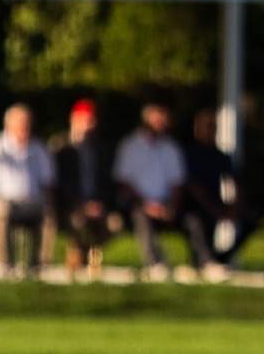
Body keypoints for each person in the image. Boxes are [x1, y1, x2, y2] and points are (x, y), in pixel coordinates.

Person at [0, 103, 55, 276]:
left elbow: (48, 184)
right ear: (8, 125)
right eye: (20, 124)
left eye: (27, 123)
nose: (24, 128)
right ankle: (6, 266)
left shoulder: (39, 148)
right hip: (3, 201)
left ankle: (39, 266)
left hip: (30, 202)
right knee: (3, 209)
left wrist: (49, 203)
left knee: (47, 212)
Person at [114, 103, 188, 280]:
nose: (162, 125)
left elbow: (178, 184)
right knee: (141, 216)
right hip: (137, 203)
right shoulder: (131, 146)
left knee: (193, 219)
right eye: (158, 121)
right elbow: (123, 182)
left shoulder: (171, 148)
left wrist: (171, 207)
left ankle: (206, 262)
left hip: (166, 204)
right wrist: (147, 205)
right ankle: (154, 263)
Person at [183, 109, 252, 278]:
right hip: (192, 205)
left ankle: (222, 257)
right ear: (197, 130)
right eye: (207, 128)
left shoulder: (221, 156)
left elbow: (238, 182)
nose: (211, 132)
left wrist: (234, 207)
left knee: (249, 219)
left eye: (213, 128)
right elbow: (191, 186)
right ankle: (207, 261)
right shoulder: (190, 155)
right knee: (196, 220)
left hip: (216, 203)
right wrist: (213, 207)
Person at [52, 99, 117, 278]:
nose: (88, 126)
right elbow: (59, 184)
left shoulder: (101, 151)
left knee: (115, 224)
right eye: (84, 121)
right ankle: (78, 254)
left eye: (91, 121)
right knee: (78, 222)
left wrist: (100, 204)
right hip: (71, 206)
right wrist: (80, 205)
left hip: (97, 205)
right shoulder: (60, 148)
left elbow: (107, 184)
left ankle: (88, 254)